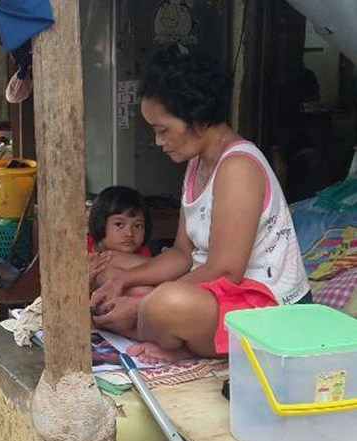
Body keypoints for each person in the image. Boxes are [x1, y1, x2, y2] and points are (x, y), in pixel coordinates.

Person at [90, 49, 311, 365]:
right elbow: (182, 253)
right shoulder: (197, 164)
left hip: (268, 310)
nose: (157, 141)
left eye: (163, 129)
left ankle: (165, 334)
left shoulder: (238, 167)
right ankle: (167, 333)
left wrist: (144, 304)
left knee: (161, 304)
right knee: (110, 275)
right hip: (216, 295)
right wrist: (122, 282)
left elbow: (226, 271)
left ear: (199, 118)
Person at [87, 186, 152, 290]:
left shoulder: (141, 251)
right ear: (100, 222)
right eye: (119, 224)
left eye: (138, 226)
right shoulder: (79, 249)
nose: (130, 233)